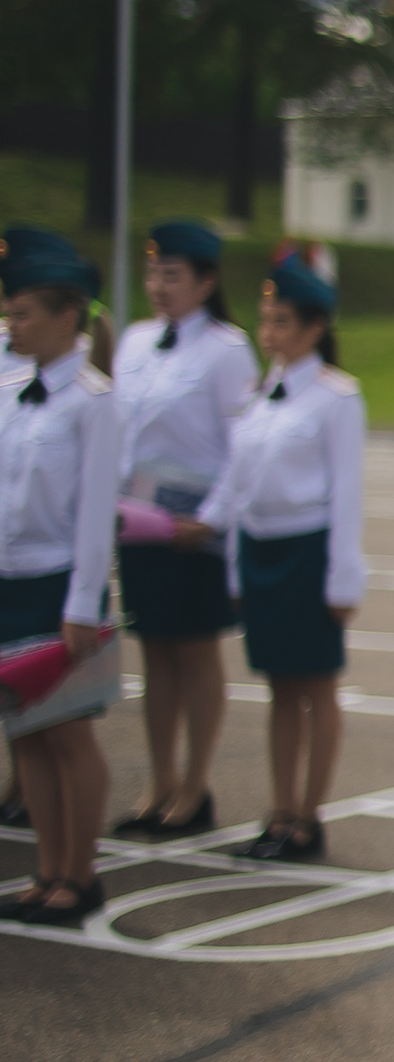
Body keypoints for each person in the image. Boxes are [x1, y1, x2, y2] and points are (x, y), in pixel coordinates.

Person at [181, 254, 364, 864]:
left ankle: (309, 816)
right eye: (265, 320)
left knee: (316, 686)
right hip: (261, 551)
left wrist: (343, 579)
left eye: (282, 321)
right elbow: (237, 484)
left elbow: (346, 495)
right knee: (281, 690)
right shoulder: (259, 394)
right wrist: (230, 562)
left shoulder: (337, 397)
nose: (269, 333)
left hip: (308, 553)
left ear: (314, 328)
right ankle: (279, 809)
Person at [111, 218, 259, 840]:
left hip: (195, 524)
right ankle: (159, 782)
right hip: (140, 522)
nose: (158, 285)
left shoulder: (226, 349)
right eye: (152, 273)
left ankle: (195, 786)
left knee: (195, 652)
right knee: (156, 653)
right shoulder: (136, 341)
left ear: (206, 281)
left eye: (172, 275)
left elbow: (242, 444)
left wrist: (212, 519)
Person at [0, 227, 121, 926]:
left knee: (69, 733)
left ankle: (81, 873)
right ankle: (46, 871)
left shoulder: (92, 398)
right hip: (10, 581)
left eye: (22, 313)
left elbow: (94, 513)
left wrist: (82, 603)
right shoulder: (12, 386)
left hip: (60, 586)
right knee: (26, 732)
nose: (12, 325)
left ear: (65, 315)